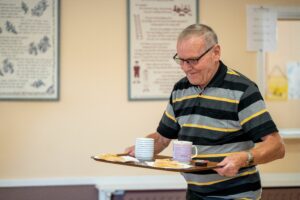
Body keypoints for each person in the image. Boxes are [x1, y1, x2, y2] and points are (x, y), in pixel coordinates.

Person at [125, 24, 285, 200]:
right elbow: (163, 138)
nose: (186, 68)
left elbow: (277, 146)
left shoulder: (242, 90)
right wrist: (139, 149)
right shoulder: (180, 89)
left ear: (215, 52)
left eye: (193, 60)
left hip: (237, 195)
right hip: (196, 194)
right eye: (182, 60)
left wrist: (244, 157)